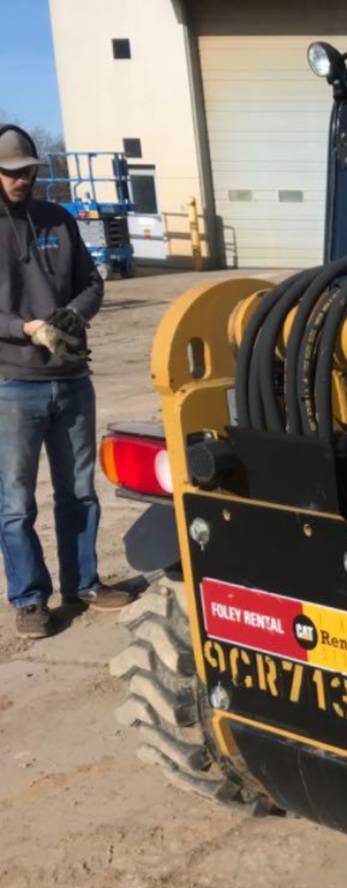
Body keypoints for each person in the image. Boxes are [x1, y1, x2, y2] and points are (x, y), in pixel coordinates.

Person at [0, 124, 129, 639]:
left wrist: (74, 316)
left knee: (79, 491)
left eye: (27, 172)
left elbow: (92, 283)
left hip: (72, 380)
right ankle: (30, 599)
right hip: (13, 385)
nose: (20, 181)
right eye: (10, 173)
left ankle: (84, 583)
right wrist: (24, 329)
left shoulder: (58, 219)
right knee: (15, 502)